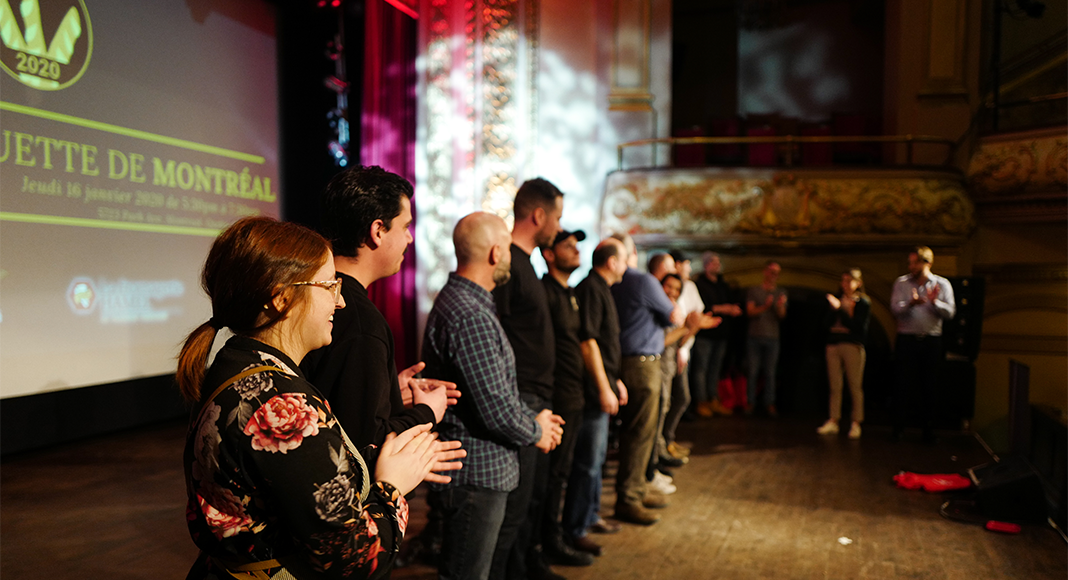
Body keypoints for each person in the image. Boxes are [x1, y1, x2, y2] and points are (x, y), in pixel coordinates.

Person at [178, 216, 462, 580]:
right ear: (281, 298)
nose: (340, 302)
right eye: (329, 286)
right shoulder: (279, 404)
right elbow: (355, 560)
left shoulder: (235, 363)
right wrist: (393, 486)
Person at [421, 212, 563, 580]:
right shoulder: (470, 314)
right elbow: (495, 407)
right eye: (508, 249)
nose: (510, 258)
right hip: (477, 474)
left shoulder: (467, 303)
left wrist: (534, 421)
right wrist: (536, 430)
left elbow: (496, 390)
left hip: (478, 471)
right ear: (496, 252)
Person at [302, 165, 456, 460]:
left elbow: (333, 397)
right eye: (405, 226)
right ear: (377, 231)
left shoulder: (314, 294)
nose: (409, 238)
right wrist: (428, 411)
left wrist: (387, 392)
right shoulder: (362, 322)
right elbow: (366, 443)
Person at [489, 178, 573, 580]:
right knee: (515, 508)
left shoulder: (527, 265)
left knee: (531, 500)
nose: (559, 226)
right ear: (539, 215)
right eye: (557, 217)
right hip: (522, 398)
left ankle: (526, 566)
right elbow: (496, 335)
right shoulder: (508, 265)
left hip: (536, 397)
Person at [562, 237, 629, 556]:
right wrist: (604, 386)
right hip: (589, 393)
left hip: (601, 386)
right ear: (612, 262)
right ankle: (575, 528)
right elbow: (588, 342)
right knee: (587, 463)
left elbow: (603, 343)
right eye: (625, 259)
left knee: (596, 460)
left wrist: (614, 381)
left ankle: (588, 516)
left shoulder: (600, 288)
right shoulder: (591, 288)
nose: (627, 265)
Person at [610, 234, 679, 525]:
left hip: (619, 361)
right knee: (640, 433)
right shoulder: (643, 281)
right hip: (642, 364)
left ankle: (636, 490)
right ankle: (630, 497)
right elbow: (673, 316)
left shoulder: (612, 283)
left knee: (632, 433)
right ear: (633, 253)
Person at [538, 228, 598, 567]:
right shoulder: (544, 292)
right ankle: (547, 543)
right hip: (557, 395)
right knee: (552, 476)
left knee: (563, 472)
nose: (576, 250)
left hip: (575, 393)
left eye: (577, 245)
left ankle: (557, 535)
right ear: (549, 254)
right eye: (568, 245)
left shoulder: (570, 292)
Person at [890, 246, 955, 443]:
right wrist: (910, 303)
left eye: (915, 263)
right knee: (902, 384)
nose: (911, 267)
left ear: (928, 263)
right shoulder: (901, 283)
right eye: (910, 263)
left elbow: (951, 313)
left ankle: (928, 431)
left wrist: (935, 303)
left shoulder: (942, 284)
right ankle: (898, 430)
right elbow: (894, 309)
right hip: (907, 339)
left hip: (931, 340)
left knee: (930, 386)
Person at [817, 268, 871, 439]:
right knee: (835, 385)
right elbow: (825, 324)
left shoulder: (862, 302)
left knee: (854, 385)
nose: (845, 284)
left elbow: (857, 327)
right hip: (833, 344)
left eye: (849, 281)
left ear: (858, 283)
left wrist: (840, 309)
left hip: (852, 345)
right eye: (843, 281)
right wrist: (834, 309)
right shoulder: (837, 299)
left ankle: (856, 422)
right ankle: (834, 420)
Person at [690, 252, 743, 417]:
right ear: (706, 265)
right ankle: (701, 401)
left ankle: (713, 399)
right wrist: (724, 308)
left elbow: (729, 302)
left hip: (721, 333)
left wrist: (732, 309)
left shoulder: (722, 284)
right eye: (714, 262)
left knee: (715, 369)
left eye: (719, 262)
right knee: (701, 368)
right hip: (705, 334)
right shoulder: (699, 284)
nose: (718, 265)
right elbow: (703, 307)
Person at [745, 261, 787, 417]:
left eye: (777, 273)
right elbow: (750, 312)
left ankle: (770, 403)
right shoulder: (754, 291)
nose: (774, 275)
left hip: (772, 337)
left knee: (770, 372)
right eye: (772, 271)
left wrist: (779, 306)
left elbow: (782, 316)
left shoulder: (781, 292)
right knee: (753, 371)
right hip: (754, 337)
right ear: (765, 272)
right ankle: (750, 402)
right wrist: (766, 306)